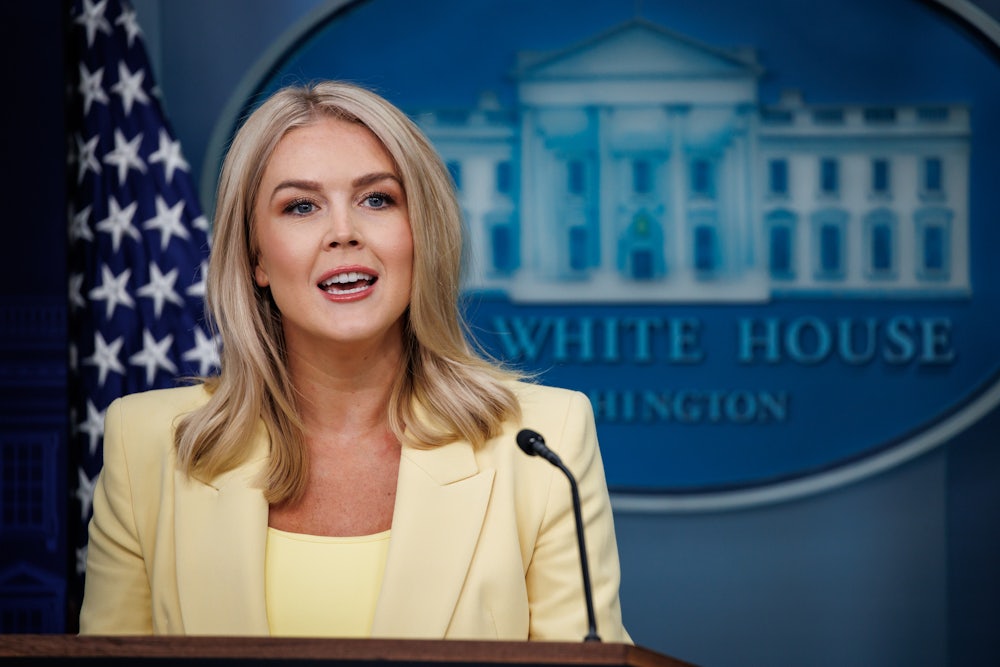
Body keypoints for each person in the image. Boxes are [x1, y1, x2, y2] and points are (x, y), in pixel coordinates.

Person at [79, 80, 630, 642]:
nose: (343, 233)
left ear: (422, 234)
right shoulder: (145, 443)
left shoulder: (543, 440)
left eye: (377, 199)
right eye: (300, 206)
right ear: (255, 257)